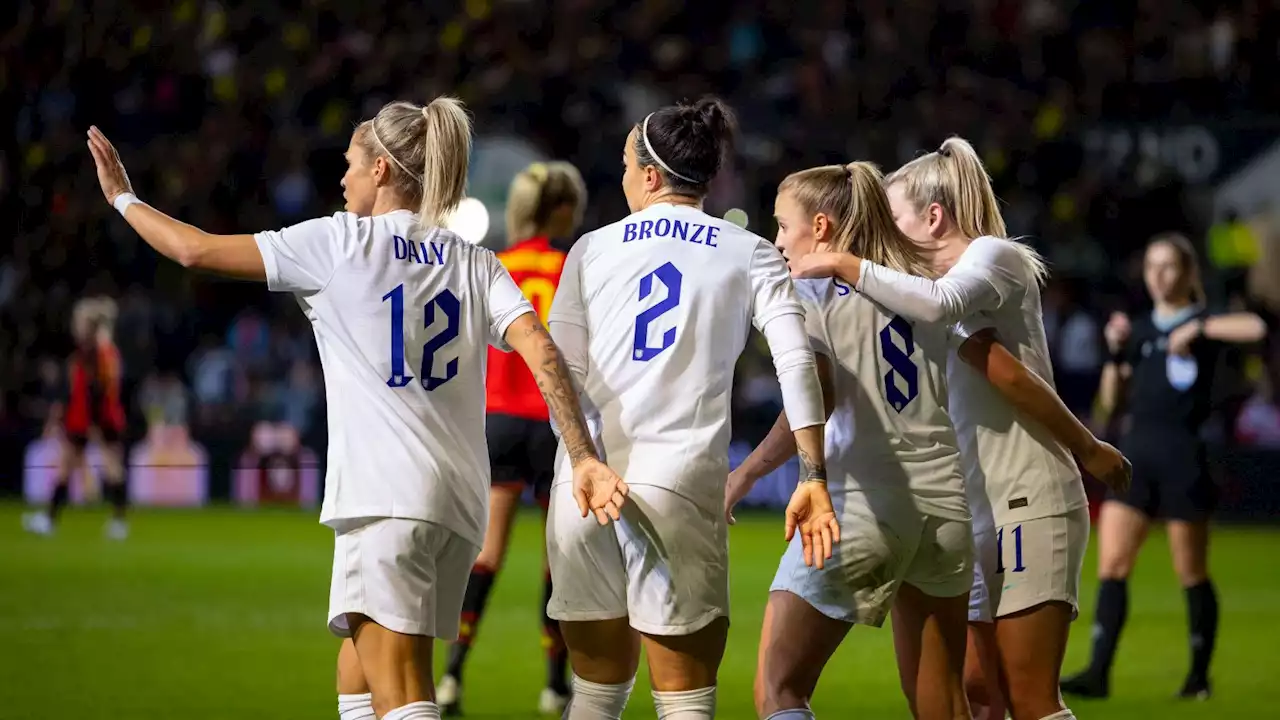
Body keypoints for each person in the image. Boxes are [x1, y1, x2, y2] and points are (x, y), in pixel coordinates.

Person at [85, 98, 627, 720]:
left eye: (351, 163)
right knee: (359, 676)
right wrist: (581, 453)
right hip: (454, 507)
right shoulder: (476, 260)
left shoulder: (337, 243)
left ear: (382, 170)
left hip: (385, 500)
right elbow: (543, 349)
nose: (341, 178)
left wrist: (123, 198)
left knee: (401, 692)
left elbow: (195, 251)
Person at [734, 162, 1122, 720]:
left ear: (820, 227)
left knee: (779, 688)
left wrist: (752, 475)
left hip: (864, 502)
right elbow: (979, 347)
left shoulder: (814, 287)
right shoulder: (926, 290)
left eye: (782, 226)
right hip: (946, 508)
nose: (777, 240)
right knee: (947, 702)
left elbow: (815, 393)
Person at [544, 97, 838, 720]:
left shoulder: (590, 249)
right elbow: (797, 364)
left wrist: (582, 461)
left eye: (627, 163)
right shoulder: (750, 250)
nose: (622, 177)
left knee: (595, 693)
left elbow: (559, 374)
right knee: (683, 701)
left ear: (650, 175)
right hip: (678, 482)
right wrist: (813, 475)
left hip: (584, 482)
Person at [1061, 233, 1265, 701]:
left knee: (1190, 570)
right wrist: (1114, 352)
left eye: (1168, 266)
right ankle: (1098, 671)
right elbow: (1110, 402)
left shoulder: (1203, 321)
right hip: (1137, 454)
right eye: (1151, 266)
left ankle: (1198, 677)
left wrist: (1200, 328)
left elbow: (1255, 327)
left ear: (1187, 273)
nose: (1158, 276)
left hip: (1183, 457)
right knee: (1112, 565)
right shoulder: (1140, 329)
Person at [438, 160, 588, 717]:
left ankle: (451, 677)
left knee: (487, 553)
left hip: (497, 420)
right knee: (558, 560)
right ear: (565, 210)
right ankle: (557, 687)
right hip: (553, 423)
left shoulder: (496, 264)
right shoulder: (571, 266)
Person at [23, 297, 129, 539]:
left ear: (89, 326)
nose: (75, 326)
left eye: (79, 322)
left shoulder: (96, 354)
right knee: (74, 466)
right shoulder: (101, 351)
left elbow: (95, 390)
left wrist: (92, 423)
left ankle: (116, 521)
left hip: (93, 418)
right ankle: (54, 519)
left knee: (106, 465)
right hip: (93, 417)